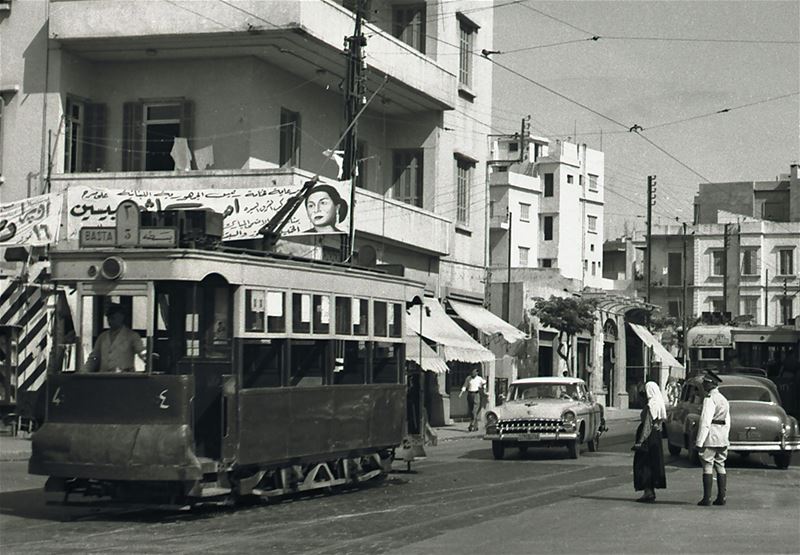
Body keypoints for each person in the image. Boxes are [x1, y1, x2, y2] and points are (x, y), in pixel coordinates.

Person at [695, 370, 730, 506]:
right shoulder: (724, 399)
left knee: (707, 466)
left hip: (710, 436)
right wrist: (725, 436)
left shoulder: (709, 399)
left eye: (705, 382)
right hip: (722, 436)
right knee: (721, 465)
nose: (703, 385)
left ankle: (707, 498)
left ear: (710, 384)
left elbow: (705, 421)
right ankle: (722, 496)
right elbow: (728, 421)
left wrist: (699, 441)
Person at [83, 303, 146, 373]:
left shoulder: (132, 336)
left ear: (121, 317)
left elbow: (141, 351)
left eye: (113, 318)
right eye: (108, 318)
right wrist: (84, 371)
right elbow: (94, 357)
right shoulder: (102, 337)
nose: (110, 321)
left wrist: (147, 358)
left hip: (125, 378)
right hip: (104, 377)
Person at [632, 381, 667, 503]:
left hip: (648, 437)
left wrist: (640, 441)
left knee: (644, 464)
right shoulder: (659, 403)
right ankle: (650, 491)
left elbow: (648, 423)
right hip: (655, 437)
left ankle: (648, 491)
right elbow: (660, 423)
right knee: (652, 463)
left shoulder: (651, 404)